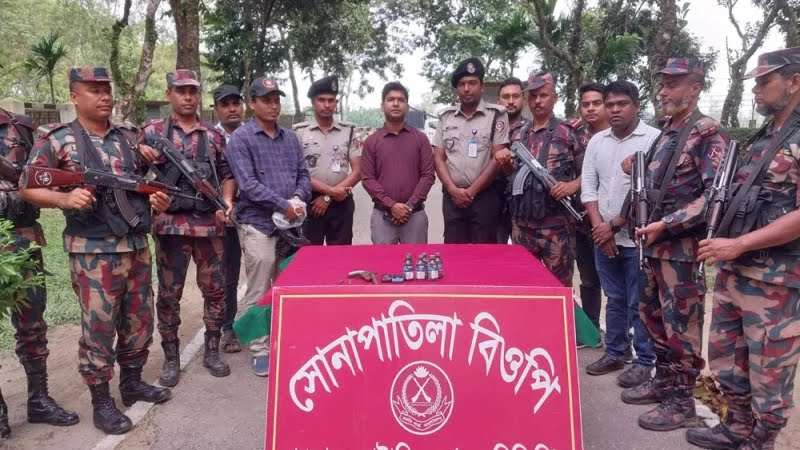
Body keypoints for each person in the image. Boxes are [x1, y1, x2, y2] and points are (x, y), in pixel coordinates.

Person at [20, 66, 171, 435]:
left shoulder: (129, 138)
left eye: (106, 89)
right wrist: (64, 198)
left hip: (135, 246)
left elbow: (142, 185)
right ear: (74, 96)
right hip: (92, 253)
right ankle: (102, 401)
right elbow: (28, 185)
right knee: (99, 328)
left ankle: (132, 382)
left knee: (139, 321)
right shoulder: (58, 139)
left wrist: (156, 200)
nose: (104, 96)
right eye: (94, 90)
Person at [688, 47, 800, 450]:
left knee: (769, 369)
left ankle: (762, 440)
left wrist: (740, 244)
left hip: (776, 281)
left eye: (764, 81)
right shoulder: (762, 138)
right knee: (726, 358)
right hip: (736, 271)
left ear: (794, 82)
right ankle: (736, 427)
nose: (756, 90)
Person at [619, 58, 726, 432]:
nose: (663, 91)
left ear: (694, 88)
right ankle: (664, 384)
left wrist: (667, 223)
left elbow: (714, 196)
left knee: (682, 328)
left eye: (673, 84)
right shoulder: (667, 133)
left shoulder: (707, 134)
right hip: (652, 246)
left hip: (681, 252)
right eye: (662, 83)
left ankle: (682, 402)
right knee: (653, 320)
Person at [139, 70, 236, 387]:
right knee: (169, 295)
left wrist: (227, 202)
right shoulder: (151, 133)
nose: (188, 97)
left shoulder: (213, 136)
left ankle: (212, 350)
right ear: (169, 94)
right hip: (170, 228)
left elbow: (227, 175)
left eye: (193, 91)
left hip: (209, 227)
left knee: (216, 291)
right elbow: (134, 176)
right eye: (181, 91)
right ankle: (171, 358)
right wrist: (150, 188)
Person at [0, 107, 78, 438]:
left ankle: (39, 400)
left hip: (22, 237)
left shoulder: (19, 126)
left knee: (32, 324)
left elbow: (36, 175)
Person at [225, 77, 311, 376]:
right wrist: (282, 204)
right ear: (252, 103)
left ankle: (283, 341)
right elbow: (247, 185)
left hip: (290, 224)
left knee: (286, 285)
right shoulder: (241, 138)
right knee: (259, 287)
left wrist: (298, 198)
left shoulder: (290, 138)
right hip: (258, 223)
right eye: (266, 100)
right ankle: (260, 349)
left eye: (276, 99)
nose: (273, 105)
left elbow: (303, 174)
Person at [581, 80, 659, 388]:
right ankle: (615, 351)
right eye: (610, 104)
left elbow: (651, 191)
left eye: (622, 104)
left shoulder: (654, 140)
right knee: (613, 297)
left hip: (637, 238)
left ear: (636, 106)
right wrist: (600, 228)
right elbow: (589, 187)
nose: (614, 110)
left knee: (639, 301)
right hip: (603, 237)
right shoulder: (597, 141)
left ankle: (644, 361)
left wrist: (614, 225)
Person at [495, 72, 581, 287]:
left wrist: (572, 186)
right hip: (522, 226)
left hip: (556, 227)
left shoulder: (569, 133)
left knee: (559, 288)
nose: (538, 101)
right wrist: (504, 163)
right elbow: (511, 175)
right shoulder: (517, 133)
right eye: (533, 96)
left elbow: (590, 173)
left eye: (543, 95)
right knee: (525, 288)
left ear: (555, 97)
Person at [433, 57, 509, 243]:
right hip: (452, 198)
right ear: (457, 89)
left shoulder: (496, 115)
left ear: (482, 87)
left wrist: (471, 192)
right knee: (454, 252)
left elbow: (498, 158)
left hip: (484, 198)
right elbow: (438, 157)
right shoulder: (446, 117)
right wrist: (452, 190)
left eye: (472, 83)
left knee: (483, 253)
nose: (466, 88)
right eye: (462, 84)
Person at [361, 81, 435, 244]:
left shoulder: (420, 139)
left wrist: (408, 207)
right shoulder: (372, 141)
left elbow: (428, 175)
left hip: (414, 215)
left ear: (407, 107)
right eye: (390, 99)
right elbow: (367, 179)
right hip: (383, 217)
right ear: (382, 106)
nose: (395, 103)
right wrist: (391, 205)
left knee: (416, 260)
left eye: (401, 100)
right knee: (383, 260)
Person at [294, 75, 361, 245]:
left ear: (336, 103)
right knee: (310, 253)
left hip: (342, 201)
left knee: (341, 254)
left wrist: (328, 197)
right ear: (313, 102)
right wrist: (329, 192)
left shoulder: (349, 131)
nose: (327, 105)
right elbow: (297, 172)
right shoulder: (299, 132)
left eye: (331, 100)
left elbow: (358, 171)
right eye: (321, 100)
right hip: (310, 200)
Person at [567, 82, 608, 332]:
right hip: (579, 219)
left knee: (615, 281)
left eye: (596, 103)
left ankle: (622, 334)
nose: (591, 108)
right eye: (585, 104)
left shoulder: (617, 134)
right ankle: (592, 328)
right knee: (588, 277)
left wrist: (575, 184)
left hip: (611, 222)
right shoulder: (573, 134)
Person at [212, 84, 244, 353]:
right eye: (226, 104)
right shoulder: (209, 138)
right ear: (216, 109)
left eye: (236, 103)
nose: (232, 109)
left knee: (265, 270)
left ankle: (270, 325)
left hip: (257, 212)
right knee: (227, 274)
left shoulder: (253, 133)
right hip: (224, 213)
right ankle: (227, 328)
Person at [495, 77, 528, 243]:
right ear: (498, 101)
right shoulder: (488, 129)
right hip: (493, 203)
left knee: (522, 253)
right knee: (494, 253)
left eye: (515, 96)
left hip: (524, 205)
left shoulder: (532, 130)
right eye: (506, 97)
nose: (510, 101)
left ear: (524, 99)